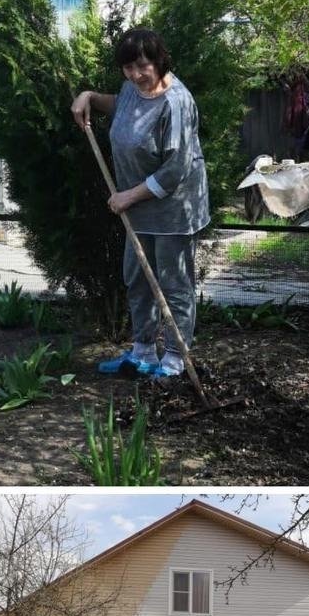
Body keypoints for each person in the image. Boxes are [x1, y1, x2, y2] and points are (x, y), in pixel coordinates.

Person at [71, 27, 210, 378]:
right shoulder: (133, 89)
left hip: (174, 209)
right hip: (136, 206)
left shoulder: (176, 102)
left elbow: (174, 169)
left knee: (174, 284)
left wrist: (126, 196)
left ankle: (176, 358)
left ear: (159, 62)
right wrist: (88, 96)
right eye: (128, 68)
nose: (135, 75)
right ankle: (144, 351)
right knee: (137, 278)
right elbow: (121, 107)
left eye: (142, 67)